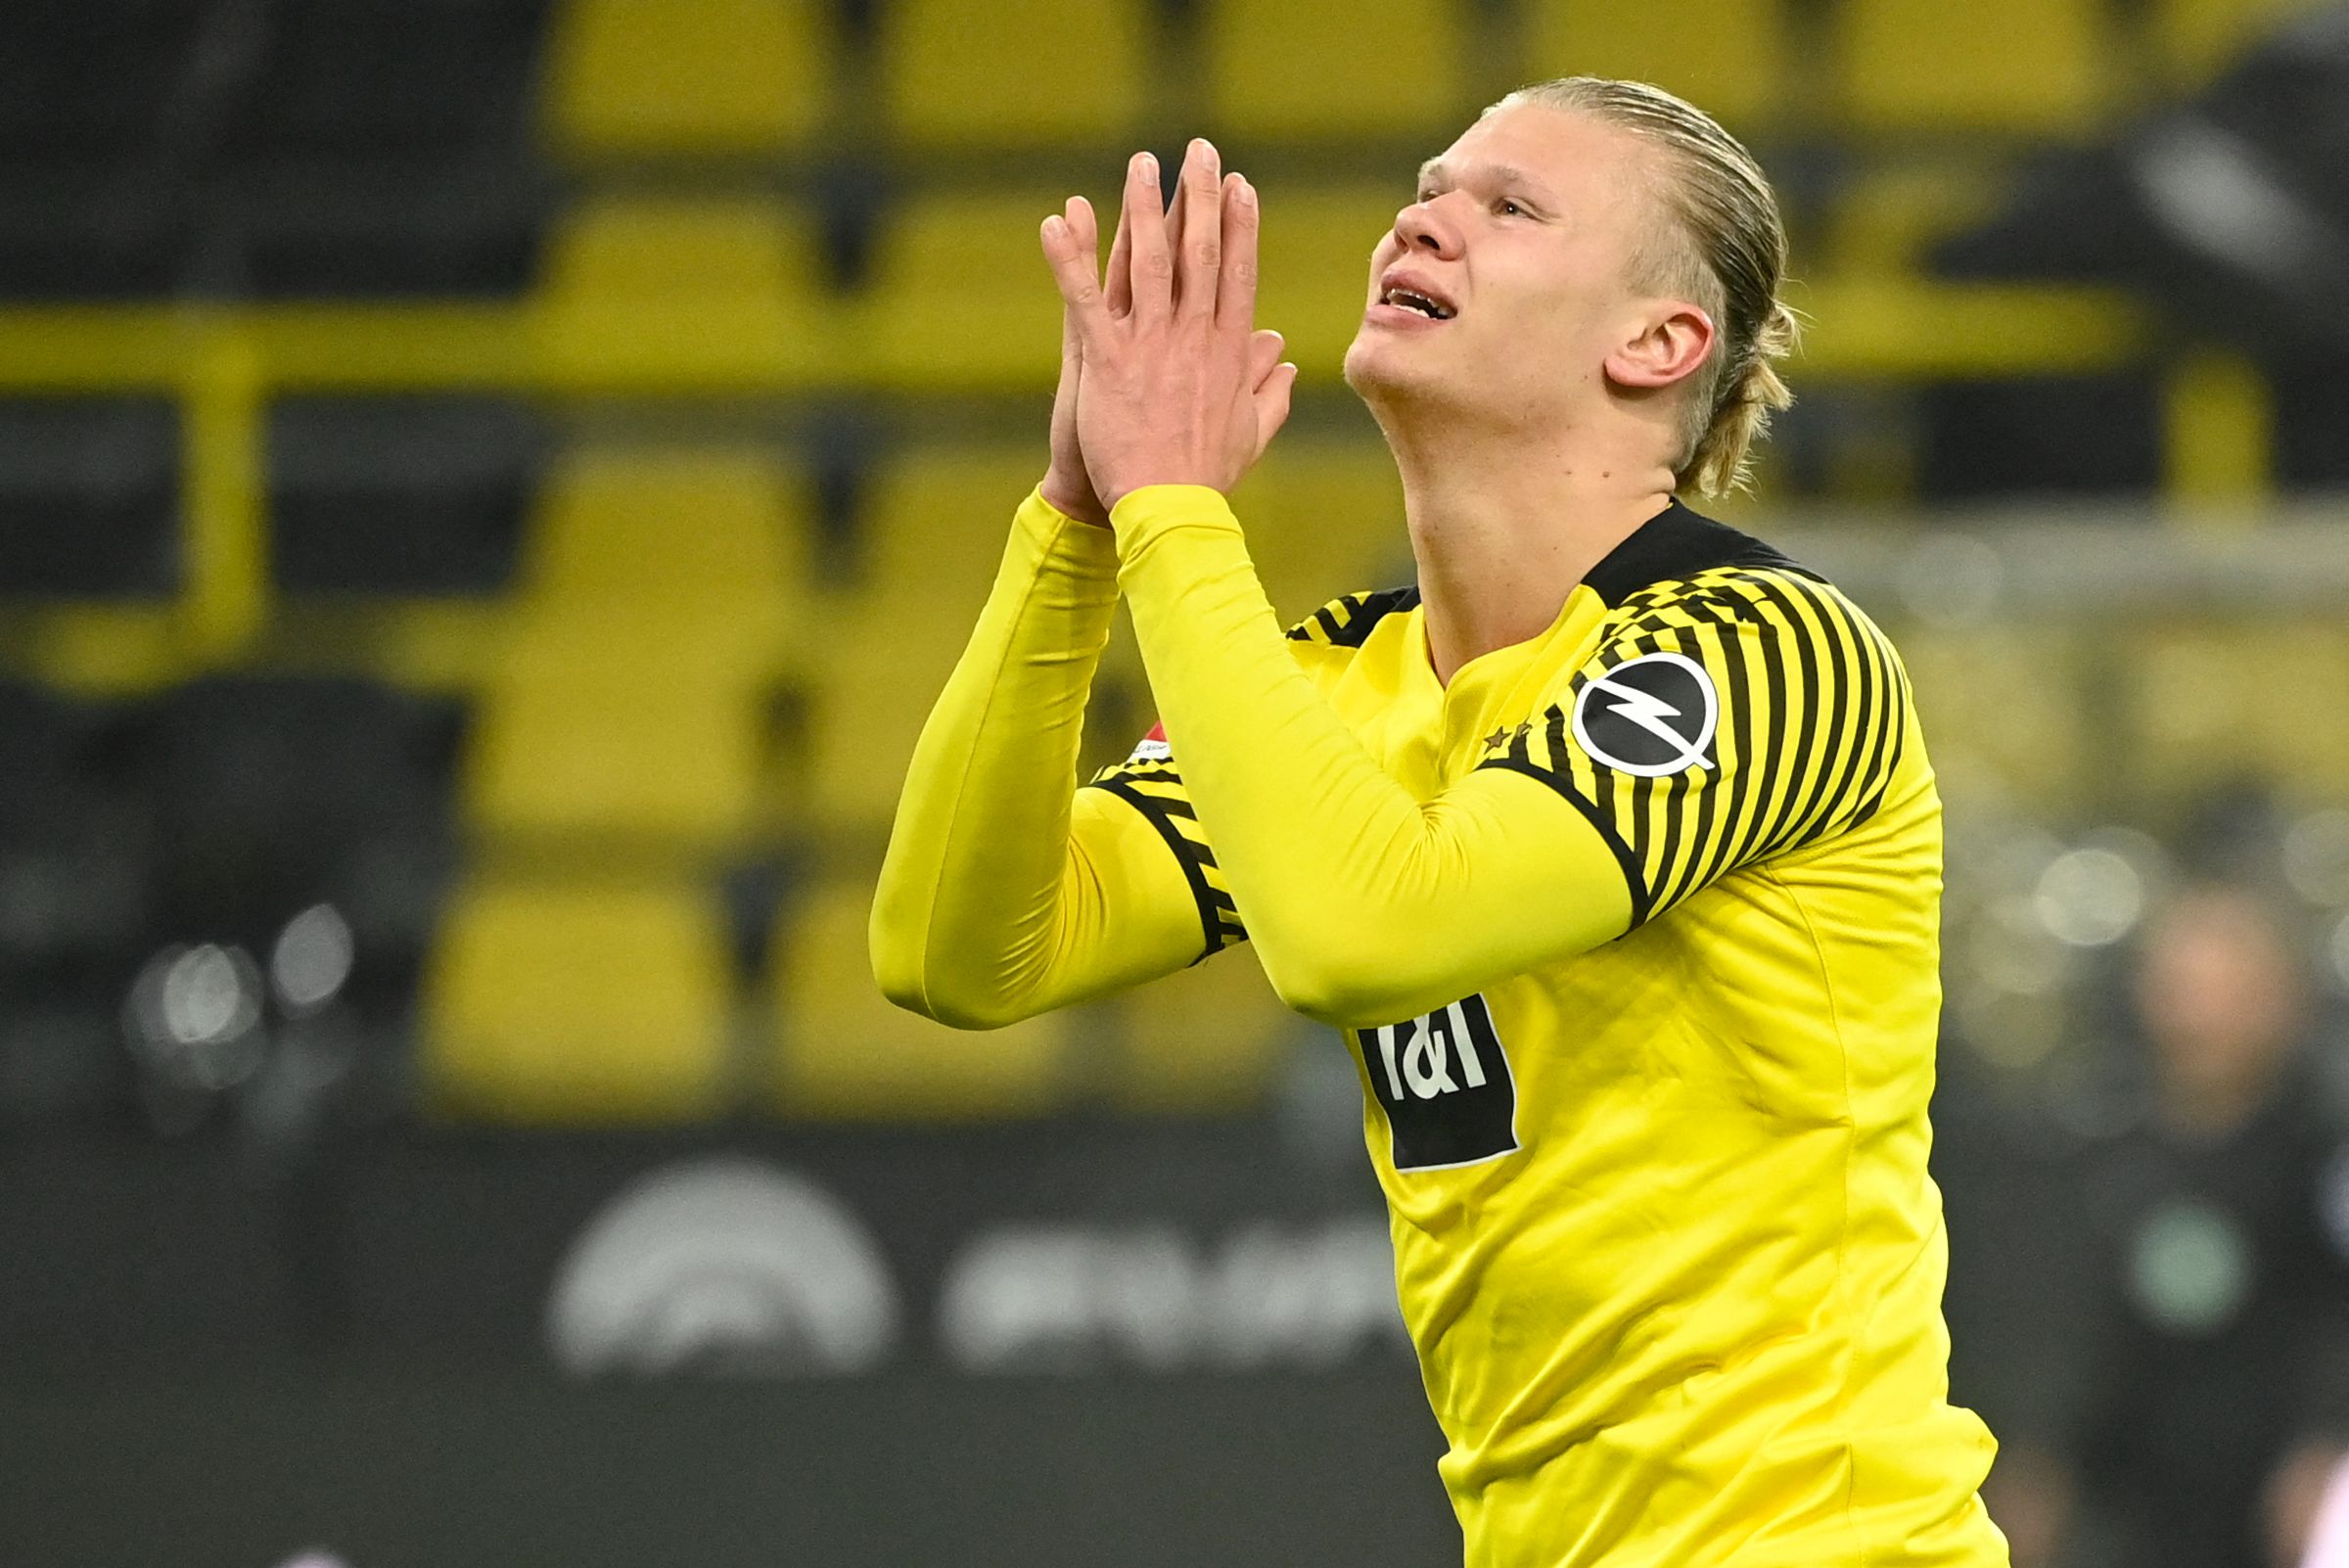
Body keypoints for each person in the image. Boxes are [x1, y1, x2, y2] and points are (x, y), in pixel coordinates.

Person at [870, 76, 2007, 1566]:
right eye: (1431, 186)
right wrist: (1075, 526)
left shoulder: (1767, 652)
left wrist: (1175, 510)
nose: (1428, 218)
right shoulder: (1341, 680)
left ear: (1658, 344)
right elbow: (965, 947)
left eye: (1509, 207)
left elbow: (1369, 932)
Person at [1990, 882, 2349, 1568]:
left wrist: (2326, 1449)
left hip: (2274, 1494)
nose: (2199, 1015)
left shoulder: (2319, 1154)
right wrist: (2041, 1459)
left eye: (2228, 989)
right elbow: (2070, 1328)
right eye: (2182, 986)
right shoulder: (2100, 1147)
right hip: (2129, 1500)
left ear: (2284, 1000)